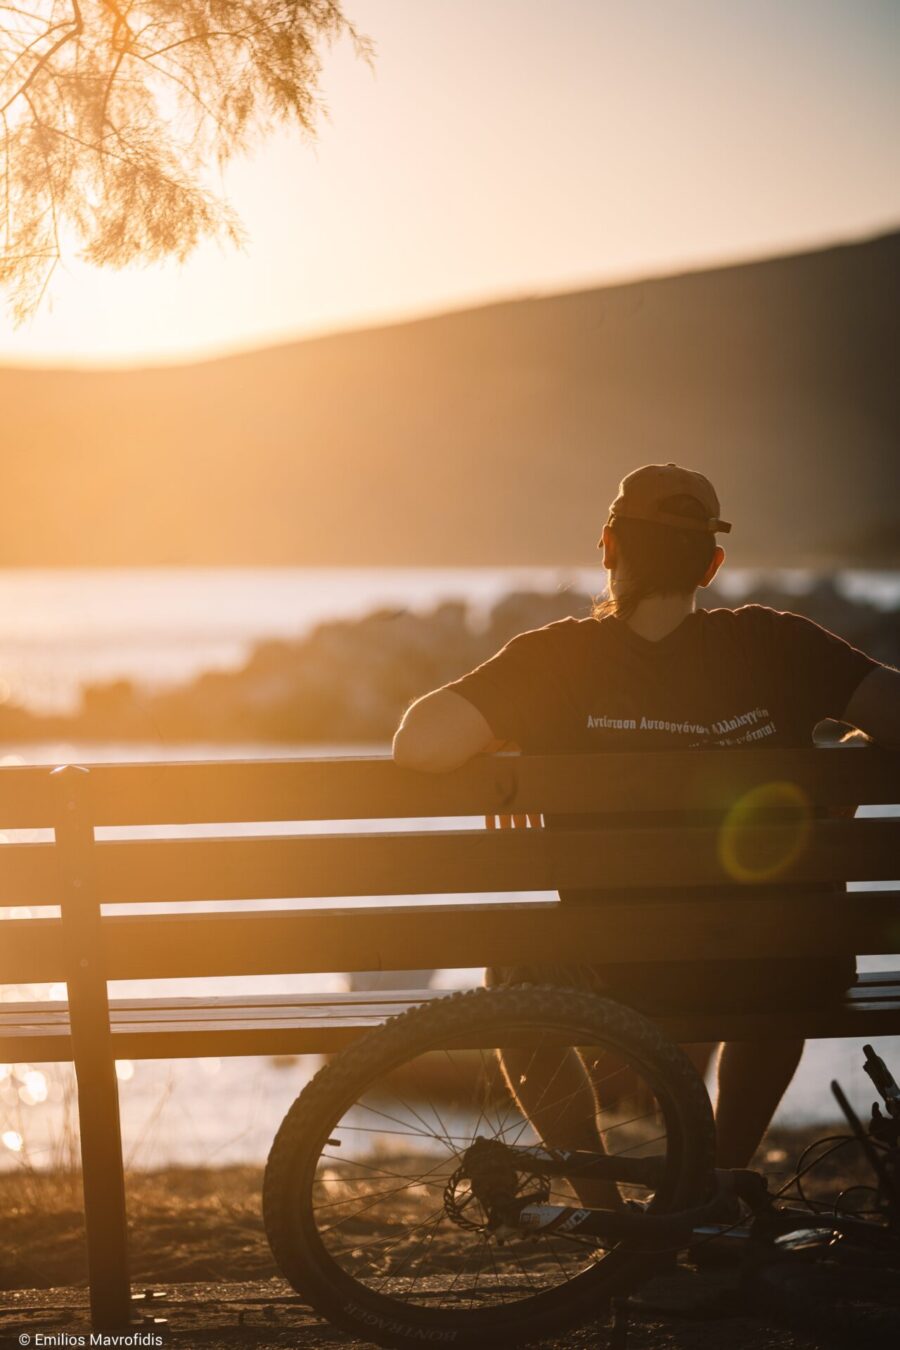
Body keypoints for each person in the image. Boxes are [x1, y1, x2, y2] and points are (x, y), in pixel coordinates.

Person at [392, 463, 900, 1176]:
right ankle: (717, 1182)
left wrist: (505, 740)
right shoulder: (781, 644)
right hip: (785, 970)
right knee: (775, 955)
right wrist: (841, 770)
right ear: (713, 564)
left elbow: (416, 744)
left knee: (512, 966)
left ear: (608, 547)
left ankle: (604, 1206)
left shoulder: (555, 661)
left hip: (618, 970)